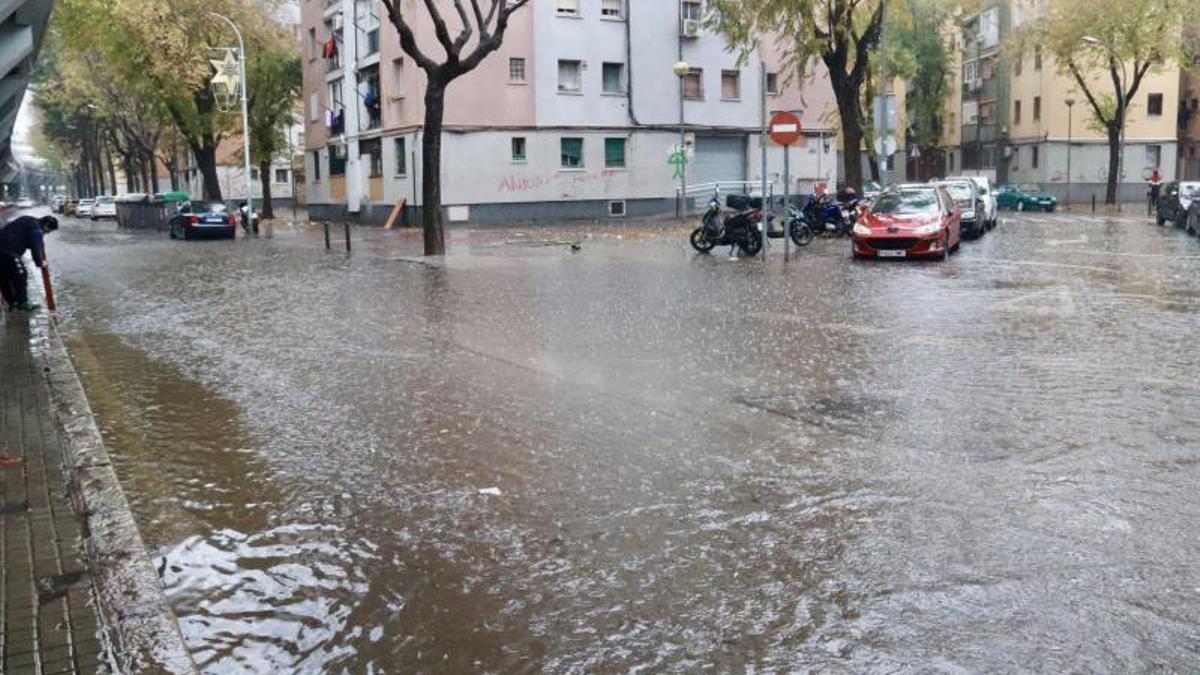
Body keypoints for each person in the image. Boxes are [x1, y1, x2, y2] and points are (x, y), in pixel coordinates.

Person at [0, 215, 58, 311]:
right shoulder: (36, 229)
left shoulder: (28, 220)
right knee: (21, 275)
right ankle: (23, 303)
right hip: (9, 251)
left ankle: (12, 303)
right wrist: (40, 262)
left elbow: (33, 242)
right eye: (48, 231)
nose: (46, 233)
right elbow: (36, 247)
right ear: (46, 225)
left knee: (4, 277)